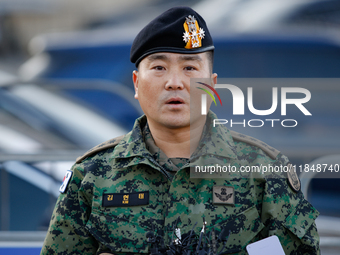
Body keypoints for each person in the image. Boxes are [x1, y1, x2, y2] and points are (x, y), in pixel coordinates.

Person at [40, 6, 320, 255]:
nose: (175, 82)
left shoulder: (264, 172)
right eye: (159, 67)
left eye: (189, 67)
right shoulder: (91, 175)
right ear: (137, 83)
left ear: (211, 84)